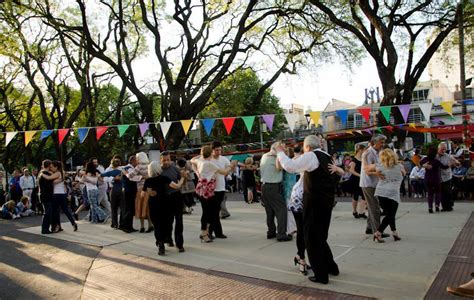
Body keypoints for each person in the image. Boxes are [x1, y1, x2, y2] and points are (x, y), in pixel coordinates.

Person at [277, 135, 344, 284]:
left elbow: (290, 167)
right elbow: (336, 176)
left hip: (314, 202)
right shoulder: (327, 156)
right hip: (326, 202)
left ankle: (321, 275)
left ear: (307, 147)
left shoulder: (311, 156)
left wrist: (280, 152)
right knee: (320, 236)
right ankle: (331, 267)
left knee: (311, 238)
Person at [143, 161, 184, 255]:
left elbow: (142, 194)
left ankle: (160, 245)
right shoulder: (164, 178)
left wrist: (150, 192)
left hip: (153, 205)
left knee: (157, 226)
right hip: (165, 204)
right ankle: (167, 239)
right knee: (166, 223)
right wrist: (182, 178)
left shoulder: (148, 181)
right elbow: (176, 186)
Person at [191, 145, 231, 243]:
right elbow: (224, 172)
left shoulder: (200, 161)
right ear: (211, 153)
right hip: (207, 190)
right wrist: (231, 166)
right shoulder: (209, 164)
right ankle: (204, 233)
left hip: (202, 188)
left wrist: (196, 171)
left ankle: (206, 232)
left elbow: (192, 160)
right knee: (207, 213)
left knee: (210, 211)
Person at [366, 149, 405, 243]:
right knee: (390, 215)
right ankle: (378, 233)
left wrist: (376, 173)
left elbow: (366, 169)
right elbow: (404, 173)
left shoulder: (379, 166)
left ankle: (394, 233)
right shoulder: (399, 166)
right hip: (393, 194)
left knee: (390, 215)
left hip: (381, 193)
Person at [260, 142, 292, 242]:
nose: (284, 150)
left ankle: (271, 232)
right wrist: (280, 155)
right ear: (277, 149)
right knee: (281, 210)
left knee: (270, 212)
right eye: (282, 148)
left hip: (264, 186)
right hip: (273, 186)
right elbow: (280, 168)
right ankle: (281, 234)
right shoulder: (276, 157)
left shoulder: (264, 156)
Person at [360, 135, 387, 235]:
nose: (382, 145)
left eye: (383, 142)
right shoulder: (368, 153)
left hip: (374, 183)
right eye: (381, 142)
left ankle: (369, 228)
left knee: (372, 207)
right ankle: (377, 231)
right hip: (368, 183)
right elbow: (367, 170)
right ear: (374, 143)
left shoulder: (378, 152)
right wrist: (378, 173)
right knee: (375, 208)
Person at [42, 161, 77, 232]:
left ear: (56, 167)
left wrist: (42, 174)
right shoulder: (61, 173)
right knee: (66, 210)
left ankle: (57, 226)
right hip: (62, 194)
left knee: (55, 212)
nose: (51, 168)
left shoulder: (57, 173)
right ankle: (73, 223)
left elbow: (49, 178)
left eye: (52, 167)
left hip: (56, 194)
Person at [161, 152, 185, 250]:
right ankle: (168, 238)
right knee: (168, 221)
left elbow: (182, 181)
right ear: (160, 160)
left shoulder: (175, 169)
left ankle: (180, 243)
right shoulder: (159, 171)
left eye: (168, 160)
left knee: (179, 220)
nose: (166, 162)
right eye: (164, 160)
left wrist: (184, 176)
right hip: (165, 197)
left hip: (177, 196)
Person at [126, 152, 151, 233]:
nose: (136, 159)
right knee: (148, 208)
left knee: (140, 207)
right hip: (149, 189)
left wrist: (126, 174)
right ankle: (151, 225)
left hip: (141, 189)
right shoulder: (149, 165)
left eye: (137, 158)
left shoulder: (138, 167)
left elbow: (130, 176)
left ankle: (142, 226)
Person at [421, 147, 448, 213]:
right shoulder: (436, 161)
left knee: (430, 194)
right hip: (436, 179)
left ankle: (430, 207)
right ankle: (437, 206)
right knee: (438, 193)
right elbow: (444, 167)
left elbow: (420, 163)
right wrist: (450, 164)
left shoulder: (425, 159)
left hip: (428, 178)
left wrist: (424, 165)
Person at [211, 141, 232, 220]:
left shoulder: (224, 159)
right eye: (217, 150)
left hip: (221, 186)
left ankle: (222, 214)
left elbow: (229, 169)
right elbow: (193, 160)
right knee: (214, 209)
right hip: (211, 188)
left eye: (220, 150)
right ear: (212, 150)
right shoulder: (208, 159)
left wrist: (229, 171)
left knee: (220, 204)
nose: (219, 152)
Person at [436, 142, 460, 211]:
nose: (443, 150)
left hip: (447, 177)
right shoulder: (435, 156)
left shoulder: (448, 156)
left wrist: (456, 162)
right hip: (439, 177)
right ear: (438, 148)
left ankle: (449, 206)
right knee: (442, 193)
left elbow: (456, 161)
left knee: (448, 192)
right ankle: (444, 207)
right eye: (442, 149)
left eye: (444, 149)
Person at [101, 157, 124, 229]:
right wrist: (114, 178)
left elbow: (102, 176)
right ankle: (120, 223)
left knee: (114, 208)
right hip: (121, 189)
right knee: (122, 207)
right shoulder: (122, 170)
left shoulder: (110, 171)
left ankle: (115, 223)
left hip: (113, 189)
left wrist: (112, 179)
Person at [348, 144, 368, 219]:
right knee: (355, 196)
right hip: (355, 179)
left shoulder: (363, 158)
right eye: (364, 150)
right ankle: (354, 211)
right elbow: (351, 170)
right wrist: (360, 175)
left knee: (364, 195)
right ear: (360, 150)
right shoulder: (354, 159)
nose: (365, 151)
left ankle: (361, 212)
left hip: (362, 179)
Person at [120, 155, 139, 233]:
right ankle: (127, 227)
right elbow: (134, 178)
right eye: (137, 161)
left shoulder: (125, 168)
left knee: (126, 208)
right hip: (129, 191)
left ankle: (124, 225)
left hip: (126, 190)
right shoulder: (130, 169)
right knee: (129, 209)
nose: (138, 162)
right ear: (133, 161)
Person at [39, 160, 54, 234]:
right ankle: (45, 229)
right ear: (49, 166)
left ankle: (46, 228)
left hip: (44, 195)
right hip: (46, 195)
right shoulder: (45, 174)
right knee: (47, 212)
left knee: (47, 212)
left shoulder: (43, 173)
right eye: (51, 165)